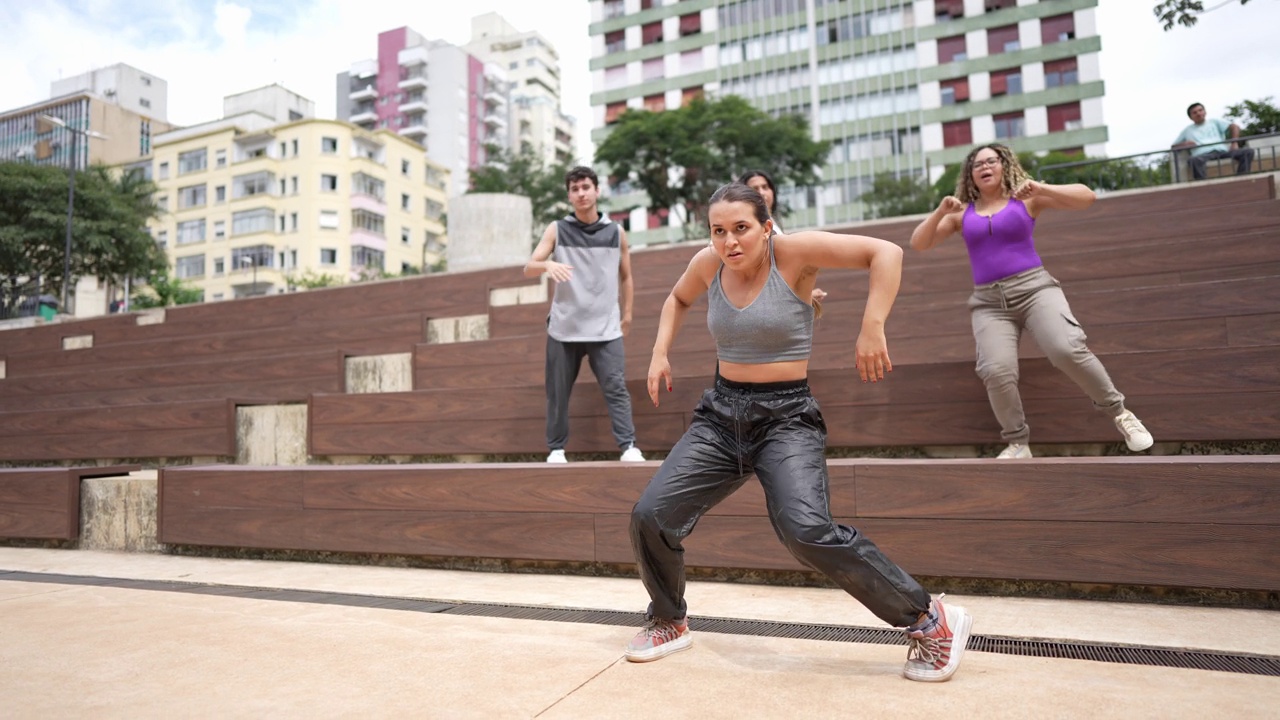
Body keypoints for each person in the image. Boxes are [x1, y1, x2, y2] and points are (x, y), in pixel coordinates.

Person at [625, 182, 972, 683]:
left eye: (741, 229)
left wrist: (872, 323)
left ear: (766, 227)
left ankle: (930, 619)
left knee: (806, 530)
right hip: (720, 416)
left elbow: (886, 252)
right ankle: (668, 620)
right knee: (650, 514)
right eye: (718, 231)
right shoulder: (709, 264)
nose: (730, 242)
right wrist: (660, 351)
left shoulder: (795, 252)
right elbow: (677, 299)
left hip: (786, 419)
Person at [909, 144, 1154, 459]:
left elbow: (1087, 197)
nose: (984, 167)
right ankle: (1017, 443)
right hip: (988, 303)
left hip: (1035, 289)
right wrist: (940, 211)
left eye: (991, 161)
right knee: (996, 370)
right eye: (977, 164)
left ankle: (1121, 414)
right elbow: (919, 243)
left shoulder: (1026, 198)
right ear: (970, 174)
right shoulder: (961, 213)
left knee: (1066, 348)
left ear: (1004, 165)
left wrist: (1041, 186)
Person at [524, 166, 644, 464]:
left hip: (606, 328)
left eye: (586, 187)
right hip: (565, 327)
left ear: (597, 190)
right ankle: (556, 449)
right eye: (575, 189)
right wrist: (546, 266)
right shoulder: (557, 229)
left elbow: (626, 277)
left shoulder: (616, 232)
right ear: (569, 195)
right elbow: (529, 266)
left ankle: (628, 446)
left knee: (616, 388)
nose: (581, 193)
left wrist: (627, 315)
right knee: (558, 393)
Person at [1172, 102, 1254, 180]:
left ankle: (1241, 179)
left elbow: (1234, 126)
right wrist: (1185, 144)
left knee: (1248, 152)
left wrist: (1234, 142)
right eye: (1195, 112)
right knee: (1193, 160)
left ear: (1205, 112)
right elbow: (1173, 147)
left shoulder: (1214, 122)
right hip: (1202, 155)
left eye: (1200, 110)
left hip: (1222, 151)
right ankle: (1204, 187)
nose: (1198, 113)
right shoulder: (1187, 130)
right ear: (1191, 117)